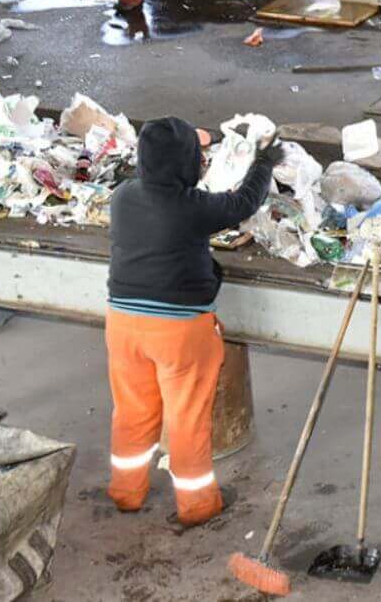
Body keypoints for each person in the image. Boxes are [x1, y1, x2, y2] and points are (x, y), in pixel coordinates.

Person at [105, 117, 281, 526]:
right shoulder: (191, 207)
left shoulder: (123, 196)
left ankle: (126, 492)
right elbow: (242, 204)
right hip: (179, 332)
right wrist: (264, 162)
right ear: (185, 162)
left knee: (132, 412)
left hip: (123, 323)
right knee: (185, 418)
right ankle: (198, 505)